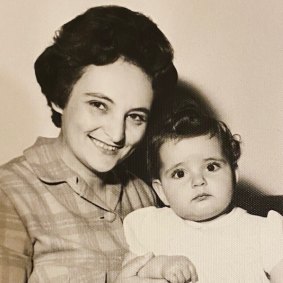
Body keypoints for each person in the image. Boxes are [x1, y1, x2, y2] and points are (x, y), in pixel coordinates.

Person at [0, 5, 178, 283]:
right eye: (99, 105)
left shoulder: (143, 194)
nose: (117, 133)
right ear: (60, 97)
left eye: (135, 116)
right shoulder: (9, 193)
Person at [124, 107, 283, 283]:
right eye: (180, 173)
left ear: (233, 174)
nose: (198, 181)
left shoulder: (263, 232)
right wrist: (161, 265)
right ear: (161, 192)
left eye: (211, 167)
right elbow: (130, 272)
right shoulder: (152, 225)